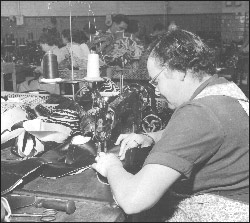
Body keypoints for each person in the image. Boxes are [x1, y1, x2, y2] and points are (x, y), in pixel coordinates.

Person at [92, 28, 249, 221]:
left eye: (156, 82)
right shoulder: (223, 91)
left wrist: (112, 166)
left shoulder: (198, 112)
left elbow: (133, 200)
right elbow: (206, 135)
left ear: (179, 71)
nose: (156, 92)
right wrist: (151, 137)